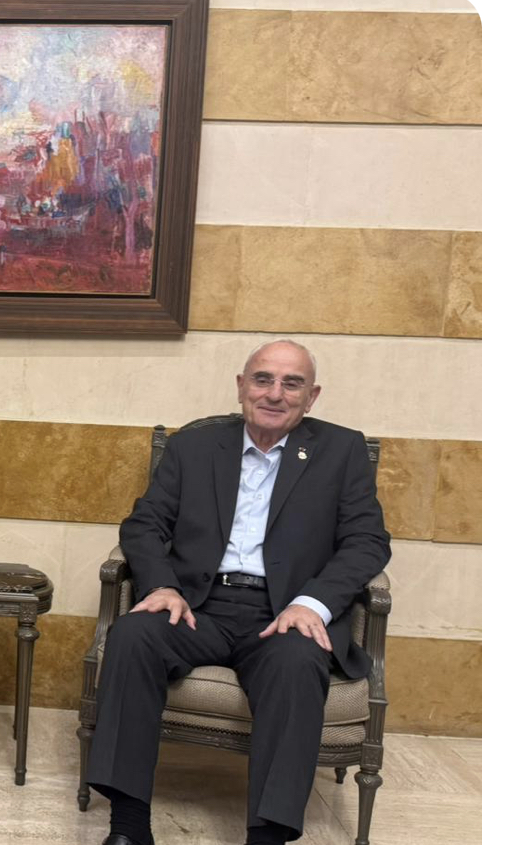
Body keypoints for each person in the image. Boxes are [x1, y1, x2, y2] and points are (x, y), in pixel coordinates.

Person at [86, 340, 390, 845]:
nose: (274, 393)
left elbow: (367, 541)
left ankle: (266, 838)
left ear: (311, 397)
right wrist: (162, 585)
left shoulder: (342, 451)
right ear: (241, 386)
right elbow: (143, 525)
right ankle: (129, 827)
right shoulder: (194, 447)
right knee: (133, 636)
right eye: (263, 379)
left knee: (297, 662)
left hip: (283, 614)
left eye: (291, 383)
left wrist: (311, 603)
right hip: (198, 607)